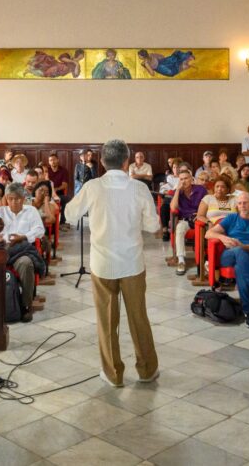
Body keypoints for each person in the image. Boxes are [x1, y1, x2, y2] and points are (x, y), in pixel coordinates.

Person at [65, 139, 160, 387]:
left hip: (102, 264)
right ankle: (147, 370)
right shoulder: (139, 189)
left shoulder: (93, 187)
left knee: (107, 321)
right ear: (127, 161)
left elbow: (70, 214)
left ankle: (113, 374)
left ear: (103, 162)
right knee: (138, 317)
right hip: (132, 264)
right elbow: (152, 225)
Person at [0, 183, 45, 323]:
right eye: (10, 199)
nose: (14, 202)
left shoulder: (31, 211)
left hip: (21, 250)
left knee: (26, 264)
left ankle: (26, 305)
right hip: (2, 250)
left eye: (17, 199)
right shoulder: (0, 212)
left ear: (23, 199)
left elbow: (40, 230)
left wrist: (23, 237)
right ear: (6, 198)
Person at [206, 192, 249, 329]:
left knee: (241, 267)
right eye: (239, 203)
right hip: (229, 255)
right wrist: (223, 238)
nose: (242, 205)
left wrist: (242, 246)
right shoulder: (231, 218)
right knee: (239, 252)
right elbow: (208, 233)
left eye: (245, 202)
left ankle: (248, 312)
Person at [170, 169, 207, 275]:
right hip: (185, 220)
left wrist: (200, 214)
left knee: (205, 229)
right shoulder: (178, 192)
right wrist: (177, 190)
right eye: (181, 179)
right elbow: (173, 207)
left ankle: (205, 260)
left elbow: (208, 203)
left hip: (199, 218)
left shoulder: (201, 189)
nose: (184, 181)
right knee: (179, 228)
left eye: (186, 178)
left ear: (191, 179)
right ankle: (181, 260)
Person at [46, 153, 70, 225]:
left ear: (58, 160)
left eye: (54, 160)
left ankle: (62, 222)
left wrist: (55, 189)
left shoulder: (63, 170)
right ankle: (50, 221)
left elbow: (65, 185)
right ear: (49, 162)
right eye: (50, 160)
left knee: (66, 199)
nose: (52, 161)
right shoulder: (47, 170)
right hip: (48, 193)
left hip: (59, 193)